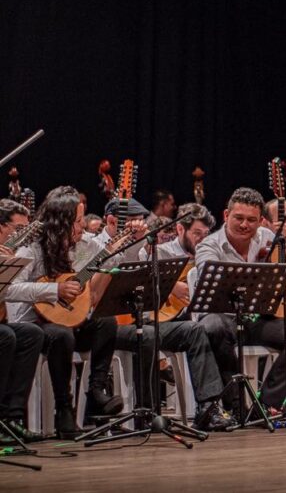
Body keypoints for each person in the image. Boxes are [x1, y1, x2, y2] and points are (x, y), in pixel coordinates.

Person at [6, 186, 124, 437]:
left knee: (106, 323)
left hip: (66, 321)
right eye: (78, 221)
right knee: (61, 335)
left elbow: (109, 261)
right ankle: (64, 408)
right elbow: (11, 288)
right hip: (32, 323)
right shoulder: (32, 248)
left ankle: (96, 392)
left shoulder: (81, 245)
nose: (82, 228)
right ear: (62, 223)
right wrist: (53, 290)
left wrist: (119, 245)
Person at [193, 187, 286, 415]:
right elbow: (208, 275)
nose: (244, 225)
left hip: (256, 319)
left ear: (261, 221)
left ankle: (265, 403)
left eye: (251, 220)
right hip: (223, 318)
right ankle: (235, 405)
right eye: (238, 218)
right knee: (212, 327)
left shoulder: (268, 238)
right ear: (226, 216)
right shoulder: (209, 245)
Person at [116, 202, 236, 430]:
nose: (202, 239)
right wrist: (170, 287)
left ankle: (208, 408)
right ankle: (147, 415)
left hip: (181, 322)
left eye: (205, 234)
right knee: (149, 334)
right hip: (150, 321)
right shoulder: (161, 252)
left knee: (198, 330)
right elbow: (138, 271)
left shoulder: (208, 253)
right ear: (180, 229)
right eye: (196, 233)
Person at [0, 199, 46, 443]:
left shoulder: (14, 254)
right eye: (18, 230)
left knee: (31, 333)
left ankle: (12, 417)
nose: (23, 235)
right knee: (5, 336)